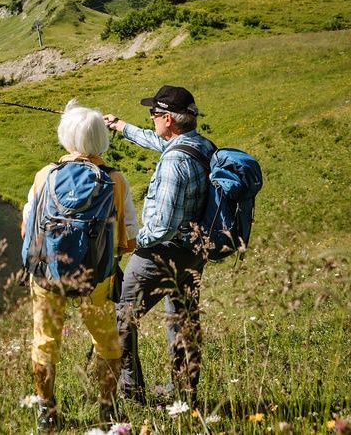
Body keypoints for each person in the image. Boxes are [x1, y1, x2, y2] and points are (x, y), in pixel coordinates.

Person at [22, 100, 139, 432]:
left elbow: (28, 227)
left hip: (46, 274)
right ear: (102, 139)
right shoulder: (116, 180)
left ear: (66, 137)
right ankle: (108, 409)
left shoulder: (45, 175)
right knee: (107, 341)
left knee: (44, 340)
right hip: (96, 275)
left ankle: (47, 413)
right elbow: (129, 239)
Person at [103, 85, 215, 406]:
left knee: (121, 318)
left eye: (154, 114)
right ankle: (185, 395)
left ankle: (132, 392)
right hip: (194, 252)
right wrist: (121, 126)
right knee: (183, 321)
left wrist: (132, 242)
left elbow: (162, 226)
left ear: (167, 118)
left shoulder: (172, 165)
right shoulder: (200, 146)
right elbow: (159, 143)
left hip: (159, 254)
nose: (151, 119)